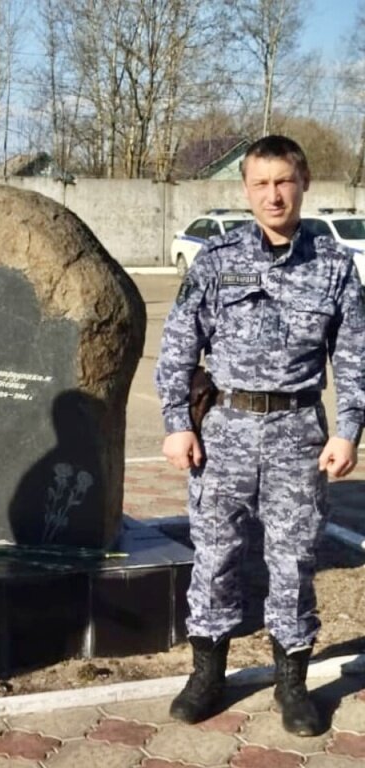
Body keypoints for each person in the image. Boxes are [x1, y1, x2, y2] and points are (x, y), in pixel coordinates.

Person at [155, 134, 365, 736]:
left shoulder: (333, 268)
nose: (274, 195)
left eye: (284, 182)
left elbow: (352, 360)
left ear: (303, 185)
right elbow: (177, 348)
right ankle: (207, 675)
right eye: (261, 184)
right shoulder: (216, 263)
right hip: (222, 433)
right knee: (215, 557)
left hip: (299, 433)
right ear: (246, 190)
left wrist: (347, 432)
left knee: (294, 560)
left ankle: (293, 684)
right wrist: (176, 425)